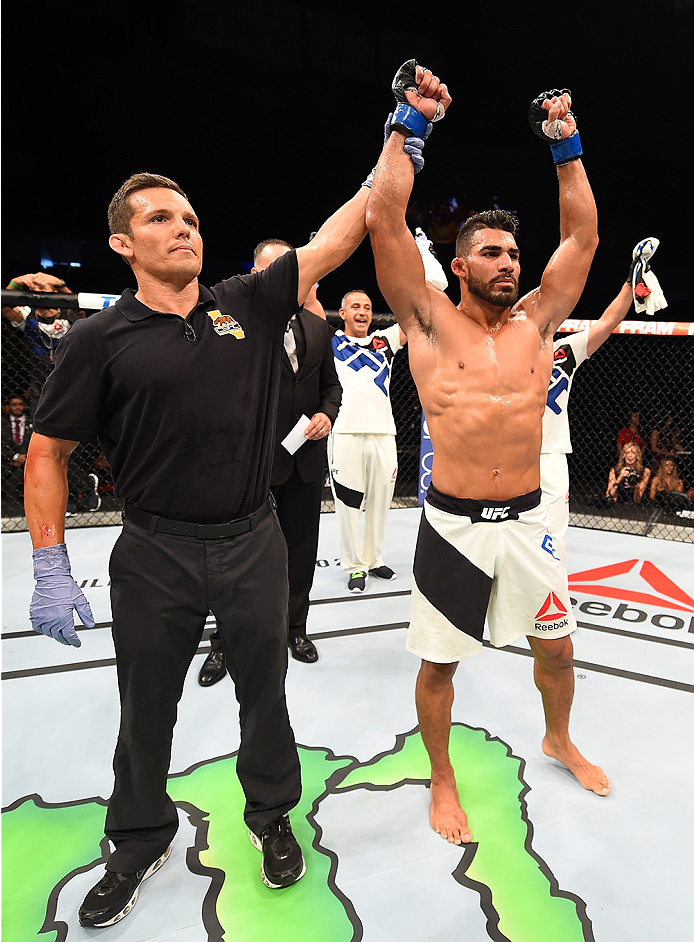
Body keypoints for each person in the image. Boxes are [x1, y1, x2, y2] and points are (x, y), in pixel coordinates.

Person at [24, 166, 377, 928]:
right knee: (145, 706)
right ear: (123, 242)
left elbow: (338, 237)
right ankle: (139, 837)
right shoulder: (98, 339)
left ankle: (272, 816)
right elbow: (46, 452)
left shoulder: (245, 302)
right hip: (155, 552)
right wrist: (48, 561)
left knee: (266, 693)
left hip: (254, 536)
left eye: (188, 216)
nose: (182, 227)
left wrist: (401, 138)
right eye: (159, 219)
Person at [366, 65, 608, 849]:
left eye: (514, 252)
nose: (510, 262)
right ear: (461, 265)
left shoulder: (540, 322)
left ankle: (557, 737)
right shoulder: (429, 324)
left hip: (531, 522)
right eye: (493, 253)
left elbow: (582, 238)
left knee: (559, 650)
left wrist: (564, 144)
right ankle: (441, 776)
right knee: (440, 668)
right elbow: (384, 222)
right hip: (453, 527)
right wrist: (410, 126)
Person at [198, 238, 341, 684]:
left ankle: (295, 630)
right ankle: (222, 642)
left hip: (304, 463)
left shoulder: (318, 328)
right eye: (277, 270)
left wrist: (326, 414)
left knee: (301, 552)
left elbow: (331, 387)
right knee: (236, 560)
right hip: (250, 466)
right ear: (257, 276)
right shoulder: (231, 326)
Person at [542, 256, 646, 562]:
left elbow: (608, 321)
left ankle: (554, 601)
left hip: (550, 453)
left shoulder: (564, 352)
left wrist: (631, 280)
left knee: (554, 535)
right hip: (507, 454)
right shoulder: (504, 345)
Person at [328, 289, 406, 592]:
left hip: (384, 433)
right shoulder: (330, 341)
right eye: (355, 306)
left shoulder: (383, 341)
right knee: (347, 504)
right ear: (343, 313)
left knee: (380, 502)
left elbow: (416, 314)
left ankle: (373, 559)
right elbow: (307, 303)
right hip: (345, 432)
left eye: (368, 307)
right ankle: (354, 565)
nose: (362, 311)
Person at [3, 273, 100, 513]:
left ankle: (82, 491)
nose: (42, 292)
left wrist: (58, 282)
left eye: (48, 290)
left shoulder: (68, 315)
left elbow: (79, 305)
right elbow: (5, 305)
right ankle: (80, 490)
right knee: (45, 447)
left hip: (72, 387)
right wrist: (18, 281)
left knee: (71, 446)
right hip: (41, 392)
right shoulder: (28, 315)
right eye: (38, 291)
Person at [1, 394, 32, 506]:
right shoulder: (2, 422)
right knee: (10, 485)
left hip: (29, 460)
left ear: (24, 406)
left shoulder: (32, 422)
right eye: (14, 405)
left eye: (20, 404)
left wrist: (25, 457)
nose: (17, 407)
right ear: (9, 406)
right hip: (7, 461)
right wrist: (15, 456)